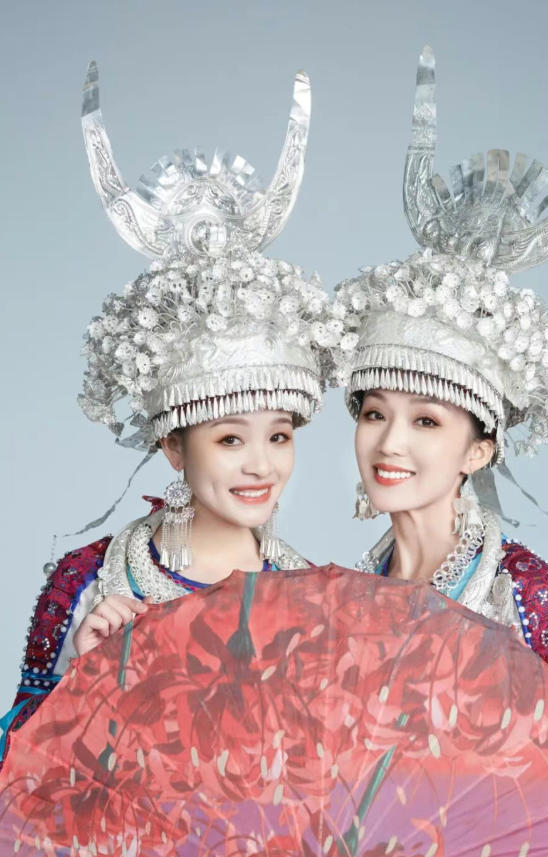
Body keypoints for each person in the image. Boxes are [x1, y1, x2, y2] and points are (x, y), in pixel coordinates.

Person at [327, 46, 548, 833]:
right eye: (373, 412)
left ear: (479, 449)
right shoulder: (346, 594)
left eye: (426, 421)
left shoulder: (520, 591)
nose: (389, 442)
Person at [0, 61, 332, 765]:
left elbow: (350, 791)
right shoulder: (88, 582)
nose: (261, 464)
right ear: (173, 445)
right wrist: (80, 679)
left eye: (278, 435)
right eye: (229, 438)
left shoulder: (315, 598)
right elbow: (18, 780)